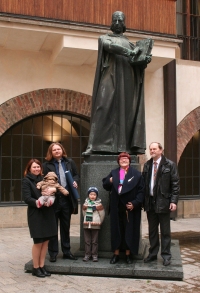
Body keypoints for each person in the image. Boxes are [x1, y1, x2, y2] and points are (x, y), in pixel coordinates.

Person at [84, 11, 152, 155]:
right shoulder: (104, 38)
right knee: (102, 107)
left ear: (124, 23)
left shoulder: (131, 44)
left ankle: (123, 147)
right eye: (114, 20)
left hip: (127, 80)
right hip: (110, 76)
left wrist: (144, 60)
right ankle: (95, 145)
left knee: (125, 113)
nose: (116, 23)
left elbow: (137, 63)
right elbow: (110, 47)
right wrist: (130, 52)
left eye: (119, 21)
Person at [102, 152, 145, 264]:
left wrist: (135, 203)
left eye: (126, 158)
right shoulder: (114, 172)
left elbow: (141, 191)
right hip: (116, 207)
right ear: (118, 161)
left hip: (129, 208)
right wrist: (110, 181)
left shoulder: (136, 174)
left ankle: (128, 255)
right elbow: (105, 184)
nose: (124, 160)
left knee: (129, 231)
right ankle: (116, 254)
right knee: (117, 231)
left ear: (129, 161)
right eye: (121, 159)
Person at [142, 142, 180, 266]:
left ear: (160, 150)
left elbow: (175, 184)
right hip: (150, 203)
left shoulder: (170, 165)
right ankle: (152, 254)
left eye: (154, 149)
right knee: (152, 231)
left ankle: (166, 255)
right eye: (150, 149)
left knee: (165, 231)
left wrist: (173, 201)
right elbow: (143, 185)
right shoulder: (147, 165)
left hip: (164, 202)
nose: (152, 151)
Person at [42, 142, 79, 262]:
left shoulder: (69, 162)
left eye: (59, 149)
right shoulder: (46, 165)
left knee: (65, 226)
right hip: (53, 199)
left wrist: (75, 181)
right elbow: (43, 180)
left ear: (62, 150)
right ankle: (53, 253)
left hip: (67, 199)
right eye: (54, 150)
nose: (57, 151)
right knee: (53, 227)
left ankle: (67, 251)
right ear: (51, 152)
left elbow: (76, 175)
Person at [22, 159, 57, 278]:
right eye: (34, 167)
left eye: (38, 167)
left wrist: (54, 190)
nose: (36, 169)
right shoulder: (26, 181)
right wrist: (37, 202)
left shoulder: (44, 179)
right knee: (38, 241)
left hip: (48, 212)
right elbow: (26, 198)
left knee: (46, 241)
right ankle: (35, 267)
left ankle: (42, 266)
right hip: (36, 213)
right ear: (29, 168)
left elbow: (54, 188)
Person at [82, 187, 105, 262]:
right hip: (87, 224)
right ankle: (87, 254)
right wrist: (86, 220)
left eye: (94, 194)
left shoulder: (99, 205)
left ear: (96, 196)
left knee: (94, 241)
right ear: (88, 195)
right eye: (91, 194)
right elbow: (84, 213)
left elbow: (102, 214)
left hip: (95, 224)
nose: (92, 196)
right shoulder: (85, 204)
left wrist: (99, 222)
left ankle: (94, 255)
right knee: (87, 241)